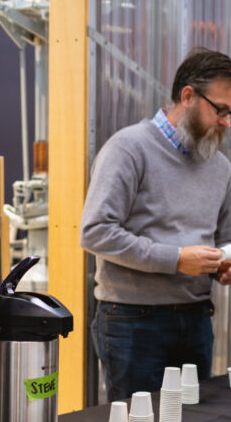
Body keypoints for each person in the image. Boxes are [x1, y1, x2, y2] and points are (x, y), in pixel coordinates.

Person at [80, 48, 231, 401]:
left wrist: (221, 264)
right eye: (220, 109)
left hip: (196, 320)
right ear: (188, 96)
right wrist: (176, 259)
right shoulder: (128, 149)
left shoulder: (220, 166)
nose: (226, 122)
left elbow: (222, 237)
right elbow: (96, 232)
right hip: (133, 322)